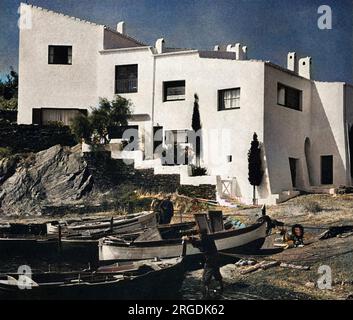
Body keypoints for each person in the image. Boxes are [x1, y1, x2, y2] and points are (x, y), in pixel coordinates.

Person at [183, 230, 223, 298]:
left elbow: (198, 243)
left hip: (210, 260)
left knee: (206, 275)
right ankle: (221, 286)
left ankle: (207, 293)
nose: (199, 236)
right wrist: (191, 238)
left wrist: (188, 239)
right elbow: (198, 240)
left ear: (201, 235)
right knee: (216, 271)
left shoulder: (204, 241)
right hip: (215, 257)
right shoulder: (209, 238)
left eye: (199, 235)